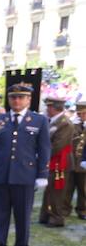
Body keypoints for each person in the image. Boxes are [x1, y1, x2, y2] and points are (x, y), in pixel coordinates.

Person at [0, 83, 50, 246]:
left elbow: (44, 149)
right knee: (0, 215)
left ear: (28, 99)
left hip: (25, 175)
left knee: (23, 216)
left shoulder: (39, 120)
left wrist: (42, 174)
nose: (17, 100)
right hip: (0, 175)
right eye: (13, 97)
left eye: (21, 97)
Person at [37, 96, 76, 228]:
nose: (47, 109)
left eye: (49, 106)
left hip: (60, 162)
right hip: (53, 161)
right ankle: (46, 215)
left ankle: (56, 217)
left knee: (57, 191)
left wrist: (40, 155)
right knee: (49, 190)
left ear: (55, 108)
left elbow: (58, 146)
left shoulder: (65, 123)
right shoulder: (52, 121)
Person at [64, 101, 86, 220]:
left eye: (84, 113)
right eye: (80, 113)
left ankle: (82, 210)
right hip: (71, 161)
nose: (82, 116)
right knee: (68, 188)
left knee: (84, 189)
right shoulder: (72, 125)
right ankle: (65, 209)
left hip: (84, 162)